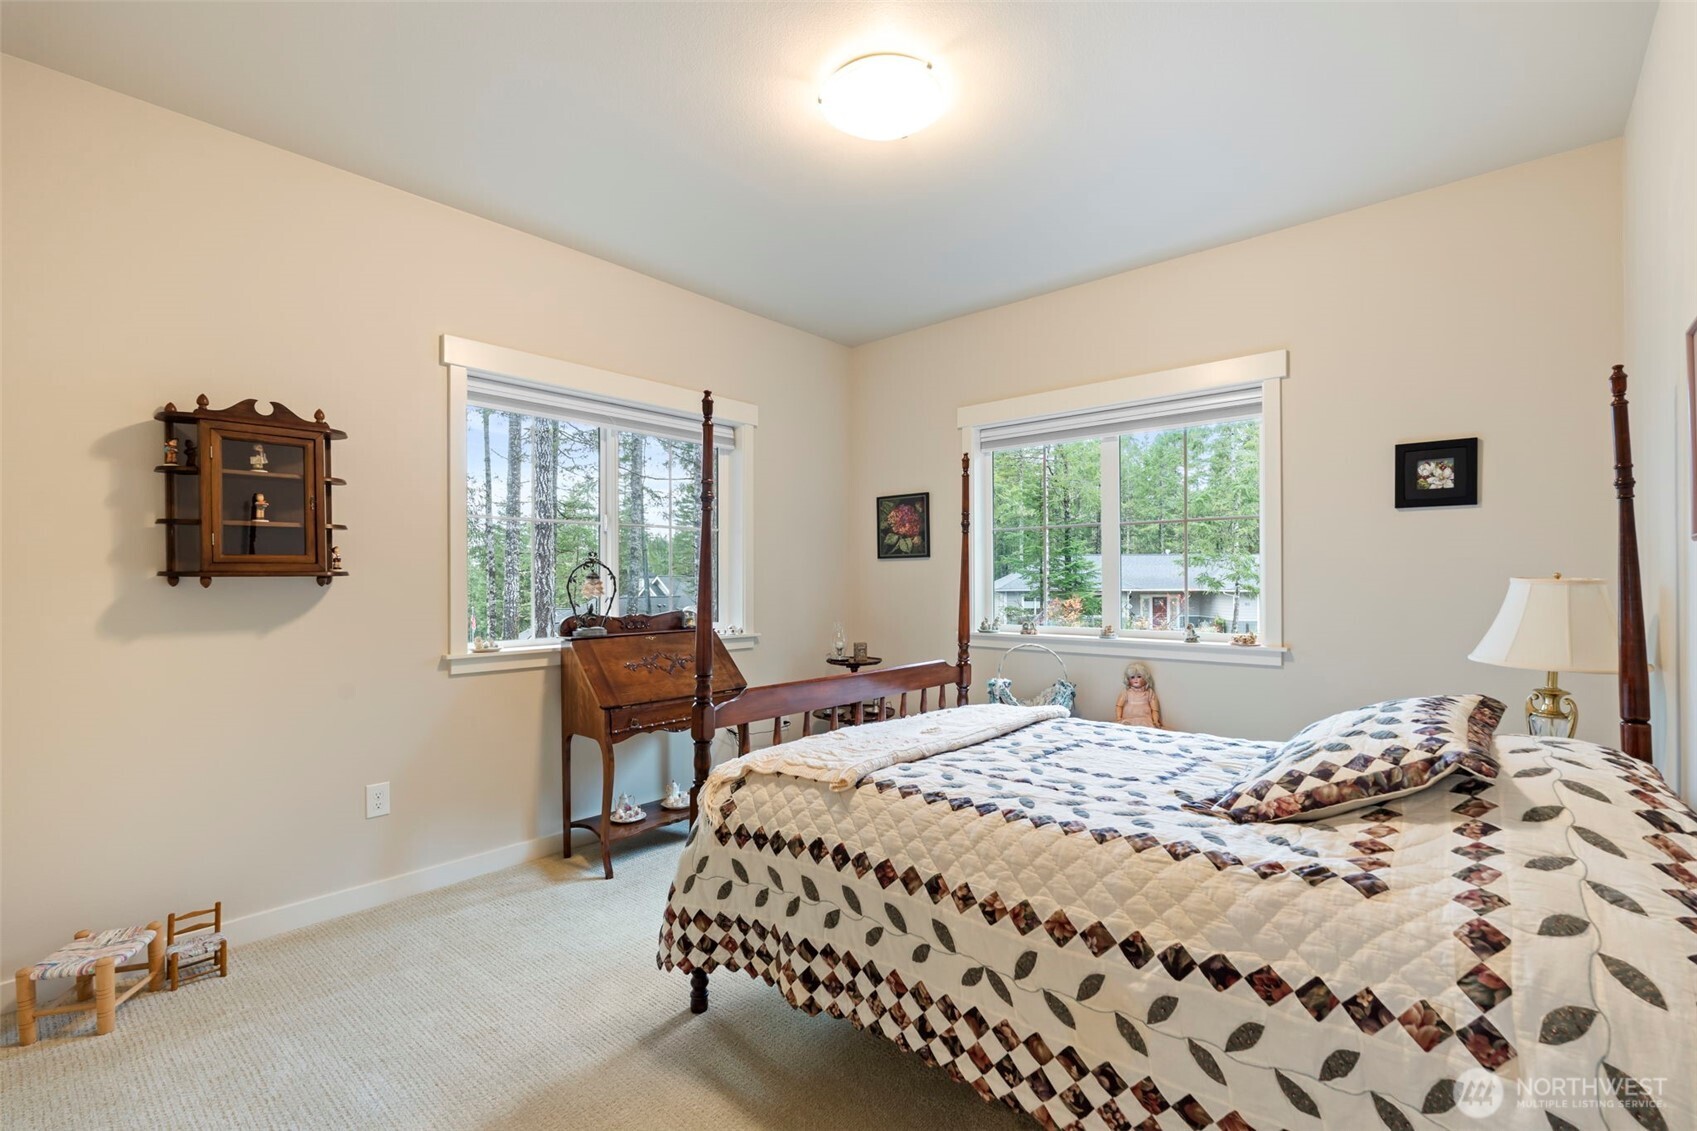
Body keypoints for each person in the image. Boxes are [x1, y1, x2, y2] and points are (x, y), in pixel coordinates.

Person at [1116, 662, 1163, 728]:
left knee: (1145, 727)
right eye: (1132, 677)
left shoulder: (1149, 692)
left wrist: (1155, 720)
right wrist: (1119, 718)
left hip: (1144, 719)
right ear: (1128, 680)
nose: (1136, 680)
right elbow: (1119, 706)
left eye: (1139, 677)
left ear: (1145, 678)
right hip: (1128, 718)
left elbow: (1155, 709)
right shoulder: (1126, 692)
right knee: (1126, 727)